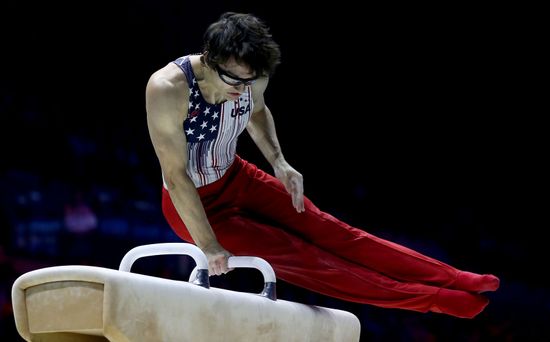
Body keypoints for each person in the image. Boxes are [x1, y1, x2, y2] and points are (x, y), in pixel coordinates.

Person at [145, 11, 499, 319]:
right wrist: (208, 245)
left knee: (332, 230)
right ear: (209, 58)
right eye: (234, 80)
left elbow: (257, 111)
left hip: (238, 175)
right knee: (306, 258)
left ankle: (452, 277)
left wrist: (279, 162)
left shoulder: (253, 77)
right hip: (195, 205)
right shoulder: (168, 88)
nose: (242, 89)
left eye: (249, 81)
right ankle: (434, 300)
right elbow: (176, 177)